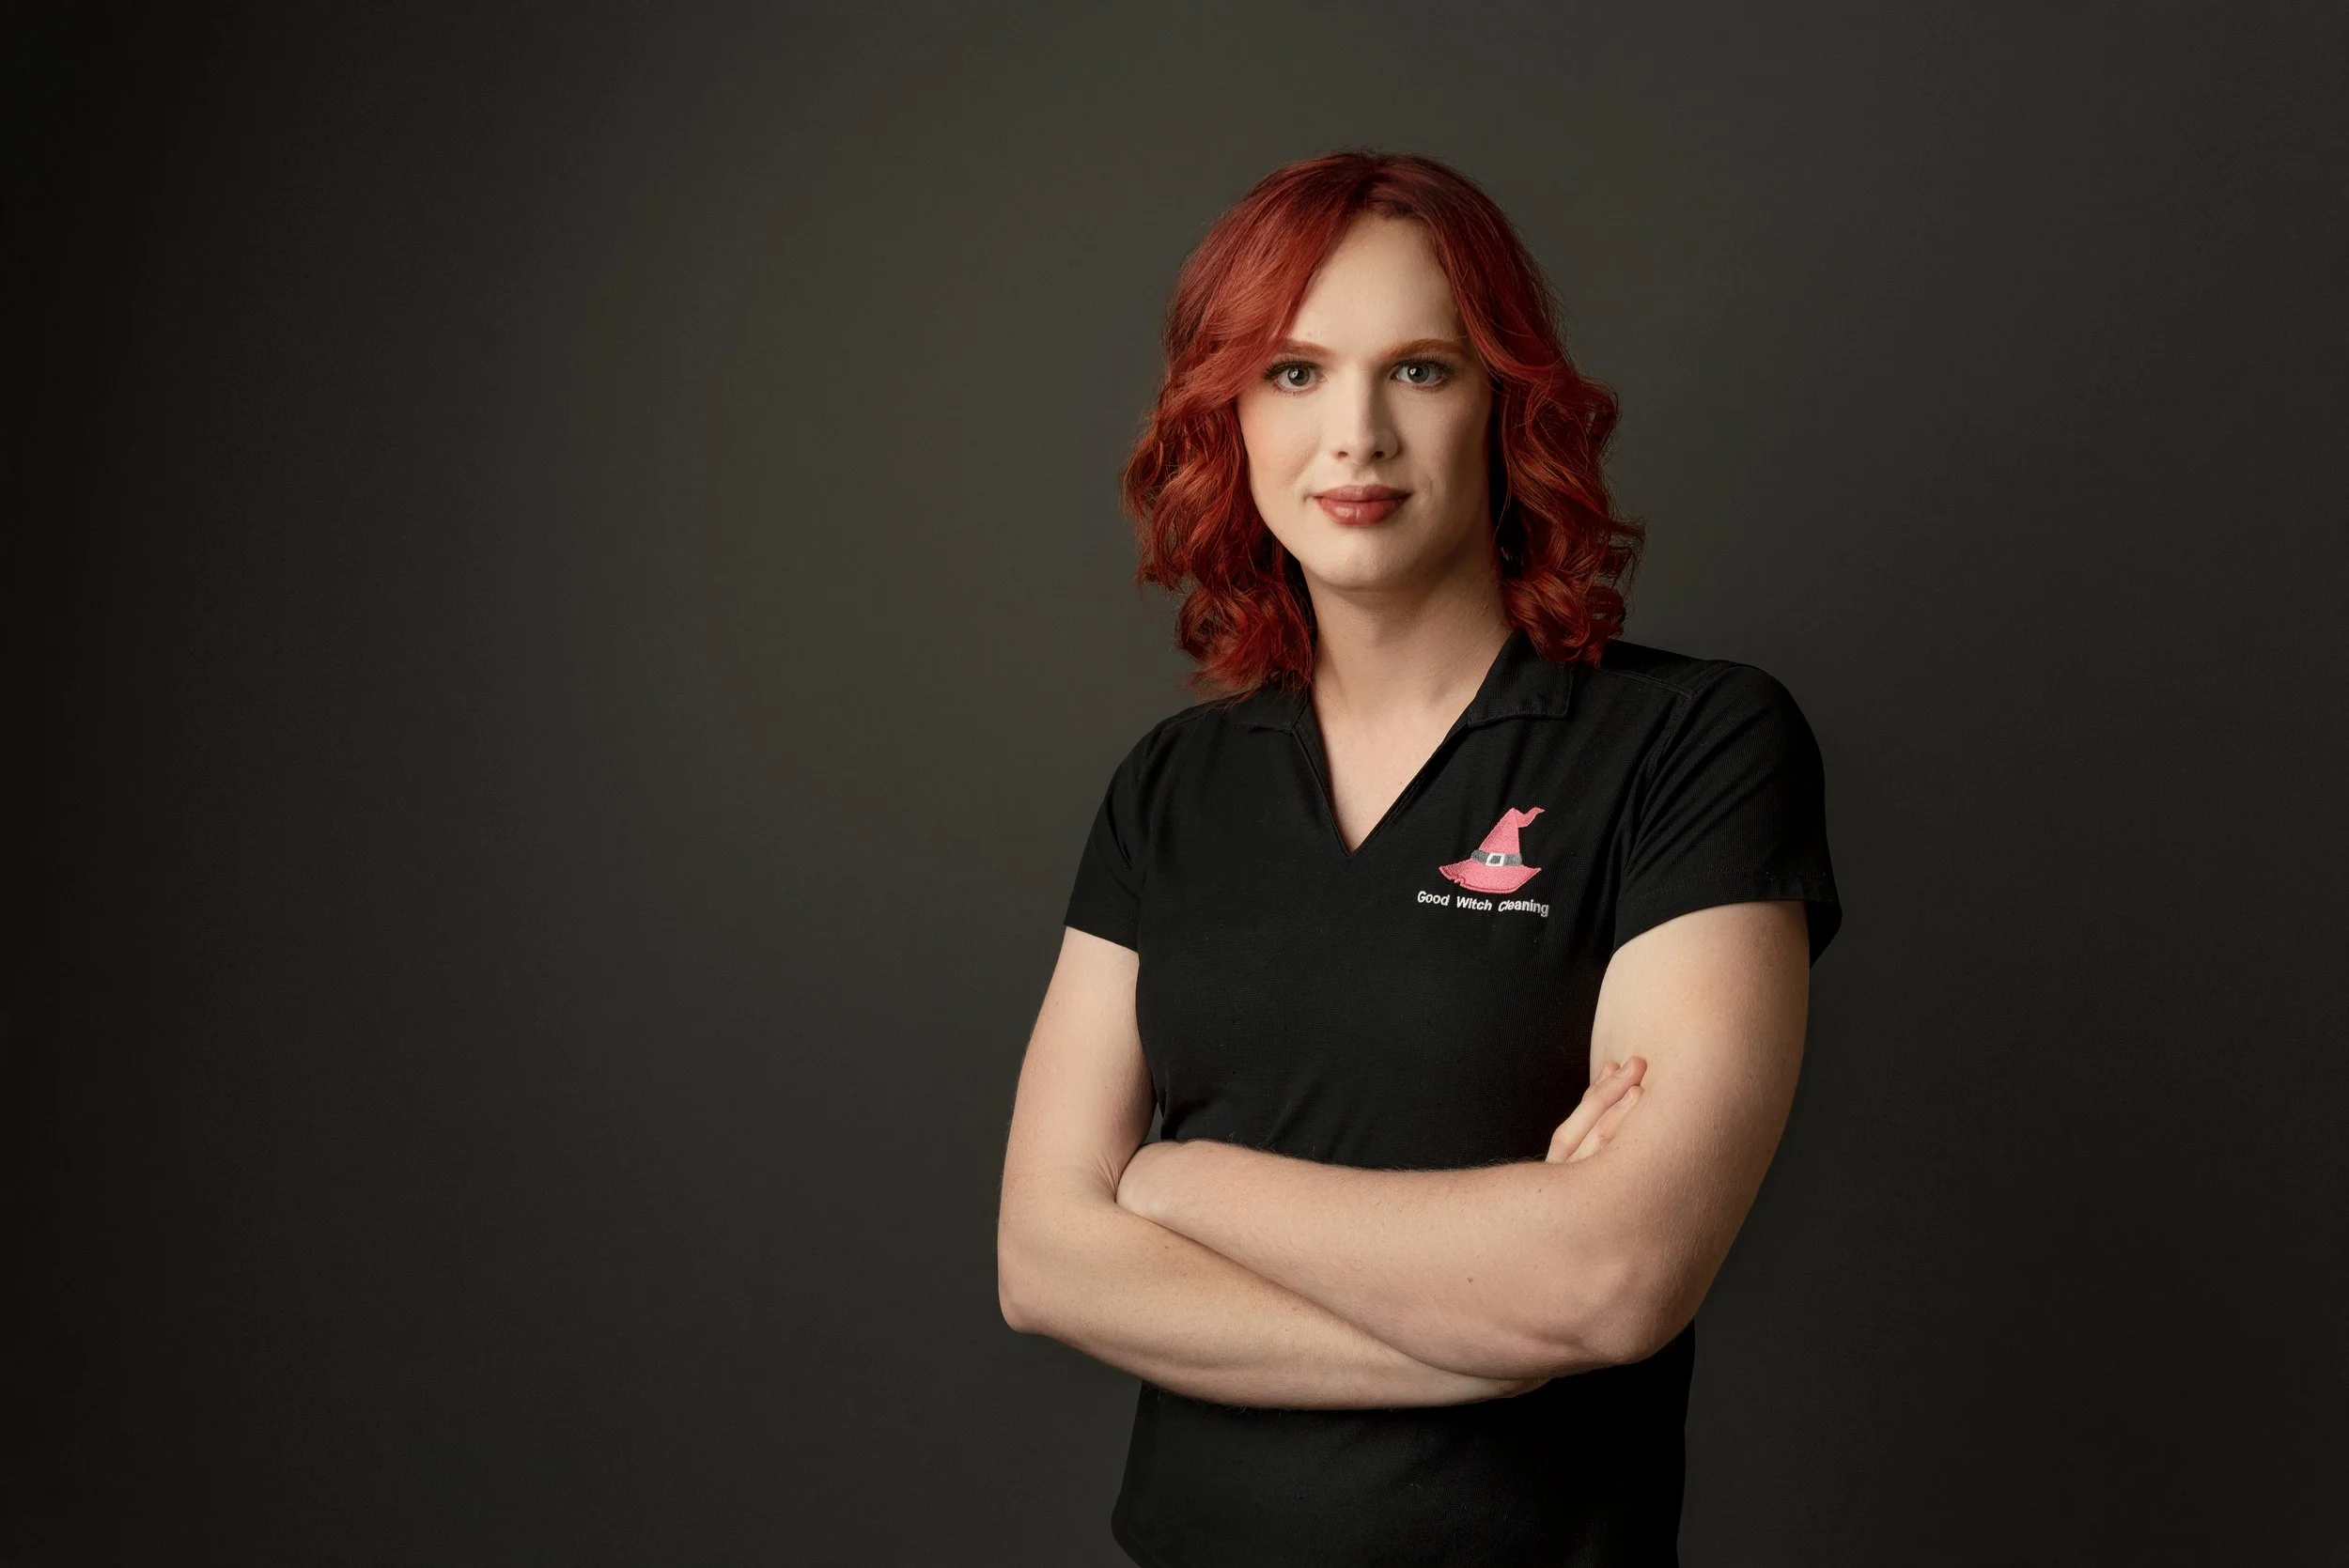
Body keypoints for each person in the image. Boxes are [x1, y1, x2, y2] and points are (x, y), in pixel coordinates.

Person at [996, 148, 1843, 1568]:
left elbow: (1614, 1278)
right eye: (1295, 373)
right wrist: (1484, 1337)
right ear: (1230, 416)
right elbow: (1041, 1260)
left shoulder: (1689, 743)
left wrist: (1175, 1183)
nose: (1357, 438)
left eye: (1423, 371)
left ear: (1509, 402)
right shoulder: (1172, 787)